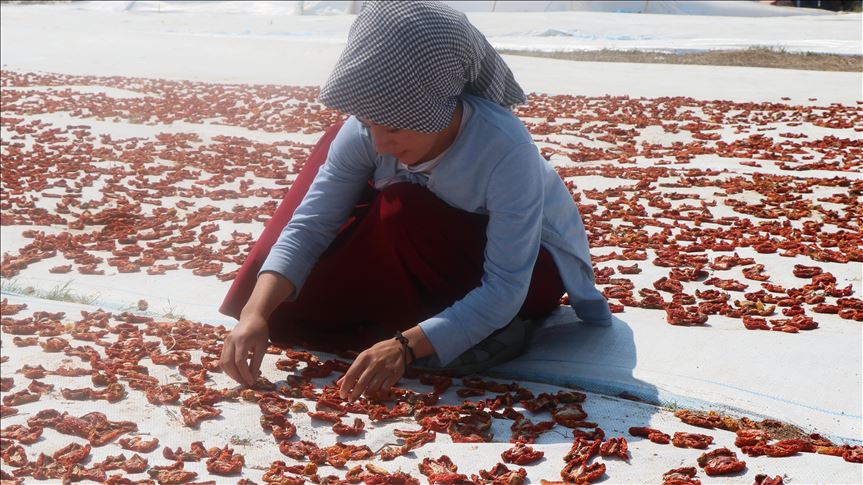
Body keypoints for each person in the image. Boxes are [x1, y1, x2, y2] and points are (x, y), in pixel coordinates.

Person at [218, 1, 612, 401]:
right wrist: (255, 313)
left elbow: (508, 284)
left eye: (394, 128)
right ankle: (438, 328)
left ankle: (483, 331)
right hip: (434, 257)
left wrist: (404, 346)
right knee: (290, 297)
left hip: (528, 274)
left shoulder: (505, 150)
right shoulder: (366, 131)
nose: (380, 143)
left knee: (401, 207)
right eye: (370, 124)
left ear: (435, 111)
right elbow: (310, 223)